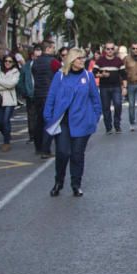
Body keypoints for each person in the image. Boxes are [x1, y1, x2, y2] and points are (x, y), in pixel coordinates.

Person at [43, 49, 102, 197]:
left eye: (83, 58)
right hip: (63, 122)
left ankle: (76, 184)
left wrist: (94, 117)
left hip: (82, 122)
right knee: (63, 153)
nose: (82, 61)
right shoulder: (60, 76)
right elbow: (51, 96)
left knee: (77, 155)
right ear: (71, 60)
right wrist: (48, 115)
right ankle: (59, 182)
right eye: (79, 58)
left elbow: (96, 100)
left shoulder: (88, 77)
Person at [31, 40, 61, 158]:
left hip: (38, 93)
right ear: (48, 49)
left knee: (39, 121)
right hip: (49, 94)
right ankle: (45, 149)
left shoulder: (36, 62)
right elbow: (61, 75)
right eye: (53, 48)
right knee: (50, 121)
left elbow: (34, 75)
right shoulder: (53, 62)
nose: (54, 50)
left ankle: (38, 147)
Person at [0, 54, 20, 151]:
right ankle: (7, 134)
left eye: (10, 61)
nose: (7, 63)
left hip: (10, 100)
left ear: (13, 63)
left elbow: (12, 84)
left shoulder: (16, 71)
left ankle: (6, 142)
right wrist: (4, 84)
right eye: (6, 61)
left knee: (6, 121)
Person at [93, 41, 126, 134]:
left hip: (116, 87)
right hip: (104, 87)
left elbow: (124, 75)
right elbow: (94, 73)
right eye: (108, 49)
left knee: (118, 105)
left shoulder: (118, 60)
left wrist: (124, 87)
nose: (110, 51)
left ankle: (117, 124)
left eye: (112, 49)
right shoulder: (100, 61)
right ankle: (108, 127)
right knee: (106, 108)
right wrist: (101, 75)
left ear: (114, 50)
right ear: (105, 50)